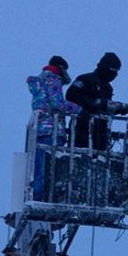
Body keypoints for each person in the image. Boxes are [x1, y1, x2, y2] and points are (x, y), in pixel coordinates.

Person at [27, 56, 81, 200]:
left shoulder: (41, 80)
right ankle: (47, 198)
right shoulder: (53, 79)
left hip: (40, 129)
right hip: (53, 128)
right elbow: (57, 104)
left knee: (40, 167)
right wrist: (79, 109)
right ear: (61, 68)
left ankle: (37, 197)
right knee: (52, 167)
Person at [65, 52, 128, 150]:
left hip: (101, 135)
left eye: (117, 70)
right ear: (104, 67)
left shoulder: (108, 88)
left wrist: (119, 109)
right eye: (113, 69)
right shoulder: (85, 79)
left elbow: (104, 107)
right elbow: (71, 95)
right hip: (81, 130)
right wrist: (94, 102)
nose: (115, 74)